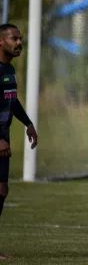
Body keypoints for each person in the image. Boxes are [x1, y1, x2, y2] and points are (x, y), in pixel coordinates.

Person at [0, 24, 38, 260]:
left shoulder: (9, 70)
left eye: (20, 38)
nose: (19, 42)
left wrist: (28, 123)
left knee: (2, 190)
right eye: (14, 38)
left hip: (3, 138)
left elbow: (12, 102)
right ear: (0, 42)